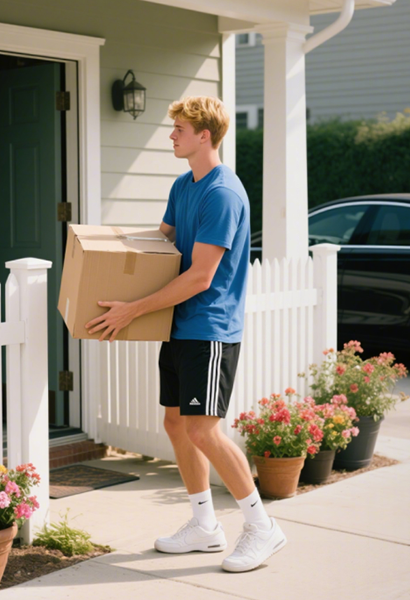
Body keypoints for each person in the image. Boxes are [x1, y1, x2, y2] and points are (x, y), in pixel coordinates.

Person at [84, 95, 285, 573]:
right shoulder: (183, 185)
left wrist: (133, 308)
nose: (171, 135)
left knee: (202, 428)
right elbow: (162, 244)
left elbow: (200, 277)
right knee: (175, 423)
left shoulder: (223, 194)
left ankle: (263, 528)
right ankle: (204, 526)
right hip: (179, 325)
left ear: (204, 136)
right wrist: (110, 257)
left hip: (210, 327)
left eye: (179, 128)